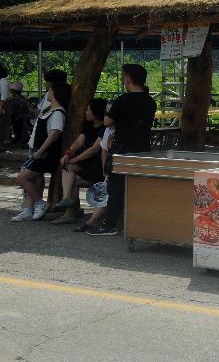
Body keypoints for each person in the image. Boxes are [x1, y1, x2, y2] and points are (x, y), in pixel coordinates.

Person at [88, 64, 156, 236]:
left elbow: (107, 122)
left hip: (122, 151)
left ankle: (109, 225)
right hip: (143, 150)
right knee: (137, 189)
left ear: (127, 79)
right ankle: (139, 224)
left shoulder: (122, 100)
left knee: (116, 189)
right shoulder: (151, 102)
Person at [12, 82, 70, 222]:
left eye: (49, 90)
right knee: (35, 178)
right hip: (38, 150)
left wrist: (41, 151)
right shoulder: (49, 109)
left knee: (22, 177)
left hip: (46, 153)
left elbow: (54, 134)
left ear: (54, 92)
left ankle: (40, 202)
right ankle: (28, 208)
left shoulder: (58, 112)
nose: (47, 92)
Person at [51, 98, 108, 224]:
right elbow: (78, 141)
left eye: (88, 110)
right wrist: (67, 154)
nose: (85, 112)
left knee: (71, 177)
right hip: (86, 165)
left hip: (99, 168)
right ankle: (67, 202)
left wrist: (74, 159)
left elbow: (94, 149)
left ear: (96, 113)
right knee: (68, 170)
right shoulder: (88, 124)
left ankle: (69, 212)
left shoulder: (105, 128)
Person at [5, 81, 29, 148]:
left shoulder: (13, 100)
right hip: (23, 119)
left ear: (12, 91)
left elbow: (10, 112)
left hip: (17, 120)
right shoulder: (23, 98)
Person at [0, 64, 9, 145]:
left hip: (2, 104)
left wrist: (1, 107)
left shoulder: (3, 80)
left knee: (2, 124)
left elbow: (4, 96)